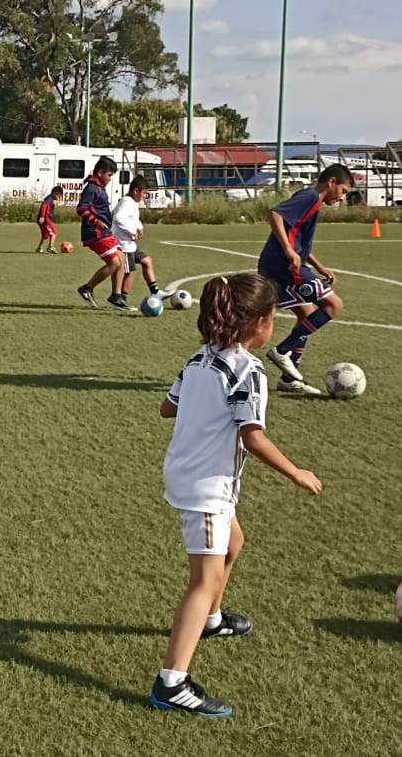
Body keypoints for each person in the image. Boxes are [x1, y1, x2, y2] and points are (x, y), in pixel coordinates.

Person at [150, 273, 322, 717]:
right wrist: (296, 472)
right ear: (261, 324)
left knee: (235, 542)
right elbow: (252, 435)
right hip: (206, 485)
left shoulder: (201, 358)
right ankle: (172, 683)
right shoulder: (248, 369)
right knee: (202, 581)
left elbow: (168, 406)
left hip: (191, 473)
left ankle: (212, 619)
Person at [258, 164, 354, 395]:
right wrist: (289, 252)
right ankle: (283, 350)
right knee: (333, 305)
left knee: (306, 315)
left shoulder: (313, 202)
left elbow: (297, 238)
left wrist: (319, 265)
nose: (342, 197)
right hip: (284, 265)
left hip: (279, 263)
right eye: (343, 191)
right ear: (331, 182)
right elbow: (275, 214)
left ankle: (289, 380)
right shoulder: (310, 196)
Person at [75, 156, 128, 310]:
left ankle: (116, 297)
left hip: (103, 232)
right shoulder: (92, 188)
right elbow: (81, 209)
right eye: (109, 175)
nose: (110, 179)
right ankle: (87, 288)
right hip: (95, 233)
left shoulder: (98, 187)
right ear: (100, 173)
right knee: (114, 263)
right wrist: (97, 222)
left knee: (121, 258)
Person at [111, 176, 174, 301]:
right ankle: (121, 298)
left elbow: (134, 218)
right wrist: (132, 231)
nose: (146, 196)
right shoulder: (126, 202)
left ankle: (155, 292)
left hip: (130, 245)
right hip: (123, 245)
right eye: (144, 193)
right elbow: (118, 218)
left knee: (147, 261)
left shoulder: (132, 202)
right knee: (131, 272)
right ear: (135, 191)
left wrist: (139, 227)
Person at [35, 186, 63, 254]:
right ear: (55, 194)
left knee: (45, 235)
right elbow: (44, 206)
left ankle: (39, 248)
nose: (59, 198)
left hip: (43, 220)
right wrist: (42, 217)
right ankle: (50, 247)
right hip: (46, 220)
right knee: (54, 232)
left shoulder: (49, 198)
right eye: (59, 196)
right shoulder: (49, 199)